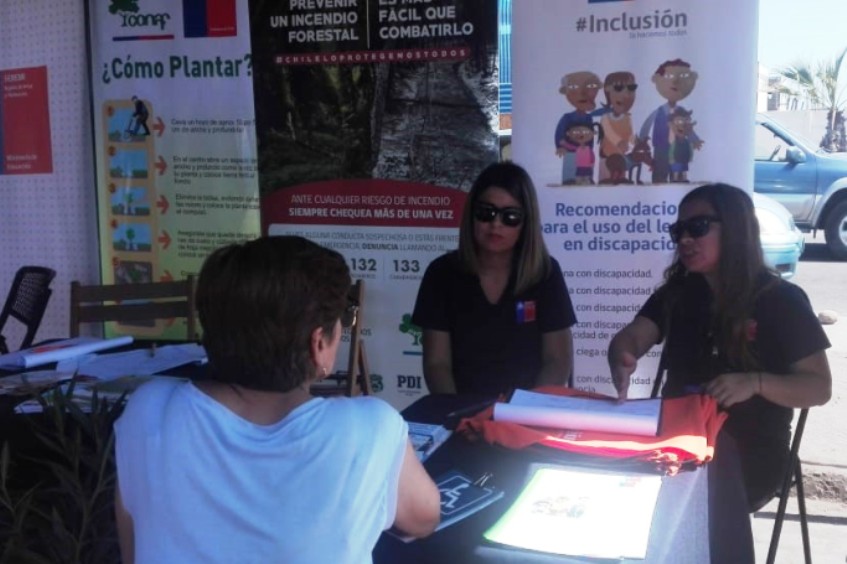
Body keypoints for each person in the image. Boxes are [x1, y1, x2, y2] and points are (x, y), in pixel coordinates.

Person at [113, 236, 440, 564]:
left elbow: (133, 552)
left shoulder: (149, 411)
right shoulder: (371, 426)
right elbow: (424, 518)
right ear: (318, 344)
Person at [608, 183, 832, 511]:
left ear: (736, 229)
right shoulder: (678, 292)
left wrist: (755, 382)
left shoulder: (781, 300)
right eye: (679, 230)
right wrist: (621, 354)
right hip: (677, 440)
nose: (685, 239)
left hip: (748, 453)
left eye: (697, 228)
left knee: (694, 504)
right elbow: (632, 337)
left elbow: (819, 388)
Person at [412, 162, 577, 396]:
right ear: (471, 215)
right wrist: (457, 416)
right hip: (460, 415)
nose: (495, 224)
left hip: (526, 417)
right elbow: (436, 364)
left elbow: (558, 361)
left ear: (526, 222)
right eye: (486, 212)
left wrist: (527, 412)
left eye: (510, 216)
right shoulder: (441, 273)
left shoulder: (546, 273)